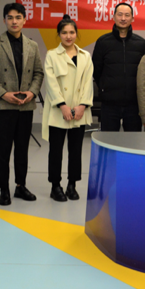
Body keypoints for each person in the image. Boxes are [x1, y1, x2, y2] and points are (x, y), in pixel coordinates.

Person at [0, 3, 44, 206]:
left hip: (25, 104)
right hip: (4, 105)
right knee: (3, 150)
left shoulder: (32, 45)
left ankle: (20, 186)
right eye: (10, 17)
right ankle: (4, 189)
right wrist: (3, 94)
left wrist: (32, 92)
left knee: (22, 149)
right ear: (4, 20)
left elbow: (38, 73)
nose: (14, 21)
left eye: (18, 17)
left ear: (24, 20)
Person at [42, 15, 93, 202]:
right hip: (58, 111)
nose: (68, 36)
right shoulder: (52, 55)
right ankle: (55, 186)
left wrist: (82, 106)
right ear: (59, 34)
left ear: (77, 34)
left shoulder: (85, 56)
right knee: (55, 150)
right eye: (64, 33)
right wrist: (62, 105)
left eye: (72, 32)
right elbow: (51, 83)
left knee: (76, 150)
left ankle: (72, 185)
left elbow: (88, 82)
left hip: (79, 111)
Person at [92, 2, 145, 131]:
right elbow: (96, 70)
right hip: (109, 103)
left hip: (134, 103)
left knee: (133, 140)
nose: (123, 18)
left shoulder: (141, 43)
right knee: (108, 140)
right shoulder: (103, 42)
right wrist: (105, 88)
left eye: (127, 15)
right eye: (120, 15)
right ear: (113, 17)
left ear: (132, 18)